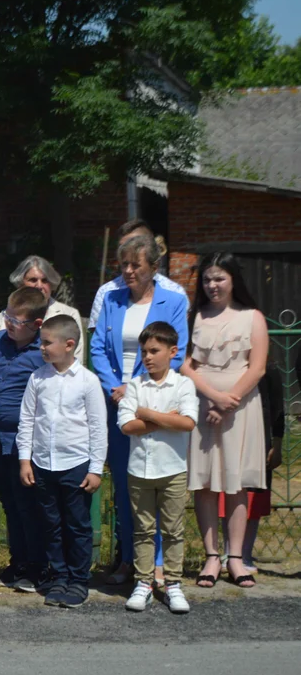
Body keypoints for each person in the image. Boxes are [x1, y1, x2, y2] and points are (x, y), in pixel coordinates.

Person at [89, 234, 189, 585]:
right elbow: (98, 347)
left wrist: (131, 386)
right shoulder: (112, 300)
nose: (129, 271)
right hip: (119, 404)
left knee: (159, 482)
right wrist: (114, 385)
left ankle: (159, 563)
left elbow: (176, 349)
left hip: (156, 401)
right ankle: (130, 558)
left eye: (136, 265)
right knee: (126, 484)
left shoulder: (173, 300)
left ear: (154, 268)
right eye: (124, 265)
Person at [181, 252, 268, 589]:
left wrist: (228, 402)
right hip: (202, 408)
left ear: (233, 280)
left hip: (241, 410)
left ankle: (236, 558)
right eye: (207, 279)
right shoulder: (195, 316)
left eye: (219, 278)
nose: (212, 285)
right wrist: (212, 396)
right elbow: (186, 365)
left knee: (236, 484)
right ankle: (211, 556)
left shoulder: (252, 317)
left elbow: (257, 367)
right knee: (203, 483)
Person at [18, 315, 107, 608]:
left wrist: (95, 468)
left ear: (69, 345)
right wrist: (25, 460)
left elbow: (97, 427)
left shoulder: (88, 382)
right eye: (41, 342)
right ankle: (58, 577)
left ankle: (78, 580)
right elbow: (28, 420)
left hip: (76, 465)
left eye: (47, 342)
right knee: (51, 524)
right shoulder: (37, 378)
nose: (41, 348)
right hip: (44, 464)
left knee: (77, 525)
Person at [117, 322, 198, 614]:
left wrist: (148, 414)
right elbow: (127, 425)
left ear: (172, 351)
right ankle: (144, 583)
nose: (148, 357)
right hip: (139, 470)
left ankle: (173, 583)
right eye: (144, 351)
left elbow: (187, 422)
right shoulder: (136, 385)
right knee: (143, 530)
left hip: (173, 468)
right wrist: (166, 418)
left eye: (154, 351)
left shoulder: (183, 385)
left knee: (174, 529)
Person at [0, 286, 47, 592]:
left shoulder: (41, 353)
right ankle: (17, 562)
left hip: (26, 443)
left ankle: (36, 566)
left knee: (28, 504)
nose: (8, 324)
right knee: (8, 502)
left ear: (36, 324)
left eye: (16, 321)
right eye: (7, 316)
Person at [218, 369, 284, 573]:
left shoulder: (269, 372)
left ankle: (245, 554)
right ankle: (228, 552)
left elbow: (277, 409)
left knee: (254, 498)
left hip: (260, 441)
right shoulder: (225, 369)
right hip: (226, 436)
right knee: (226, 494)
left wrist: (277, 445)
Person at [88, 219, 187, 329]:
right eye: (122, 247)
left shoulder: (174, 292)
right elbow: (95, 338)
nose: (127, 251)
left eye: (135, 245)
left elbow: (179, 339)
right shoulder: (107, 293)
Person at [0, 255, 84, 363]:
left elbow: (76, 358)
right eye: (33, 280)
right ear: (20, 284)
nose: (39, 286)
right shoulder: (5, 317)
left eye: (45, 280)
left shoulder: (69, 314)